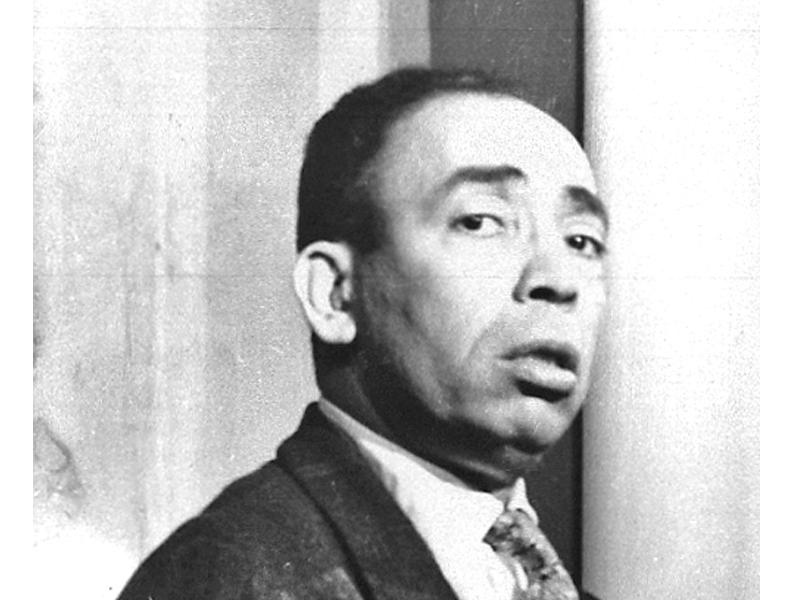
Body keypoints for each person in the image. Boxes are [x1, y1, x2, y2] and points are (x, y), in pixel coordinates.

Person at [118, 67, 608, 600]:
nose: (559, 280)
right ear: (334, 294)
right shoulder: (228, 577)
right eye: (480, 221)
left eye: (581, 240)